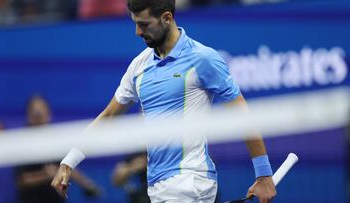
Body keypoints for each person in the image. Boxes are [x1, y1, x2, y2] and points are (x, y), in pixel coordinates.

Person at [51, 0, 277, 202]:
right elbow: (109, 116)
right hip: (157, 186)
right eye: (135, 23)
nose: (138, 32)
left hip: (190, 181)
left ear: (167, 18)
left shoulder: (202, 58)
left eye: (145, 24)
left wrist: (264, 174)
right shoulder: (138, 66)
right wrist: (68, 162)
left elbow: (243, 115)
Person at [16, 95, 101, 203]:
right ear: (30, 117)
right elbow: (21, 180)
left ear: (48, 114)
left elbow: (66, 166)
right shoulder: (20, 142)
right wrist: (46, 175)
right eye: (35, 112)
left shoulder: (56, 140)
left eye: (42, 111)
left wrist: (86, 184)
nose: (39, 115)